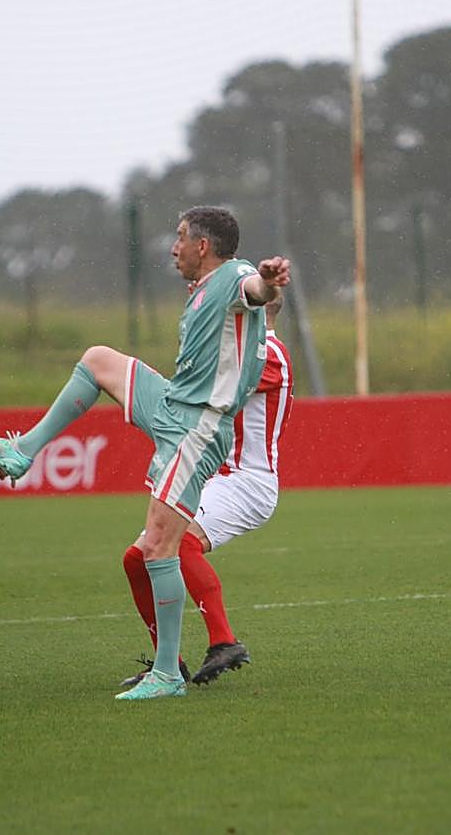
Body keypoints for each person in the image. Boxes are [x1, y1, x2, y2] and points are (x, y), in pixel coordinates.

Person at [0, 205, 290, 701]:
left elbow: (257, 291)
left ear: (203, 246)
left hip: (198, 428)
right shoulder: (204, 290)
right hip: (173, 406)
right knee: (98, 359)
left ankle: (168, 674)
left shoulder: (235, 275)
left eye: (181, 237)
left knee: (159, 548)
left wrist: (268, 283)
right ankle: (23, 452)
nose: (173, 246)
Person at [120, 293, 294, 688]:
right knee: (137, 559)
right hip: (217, 478)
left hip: (247, 482)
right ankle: (170, 663)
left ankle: (224, 641)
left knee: (179, 545)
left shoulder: (268, 353)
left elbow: (205, 390)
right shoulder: (245, 351)